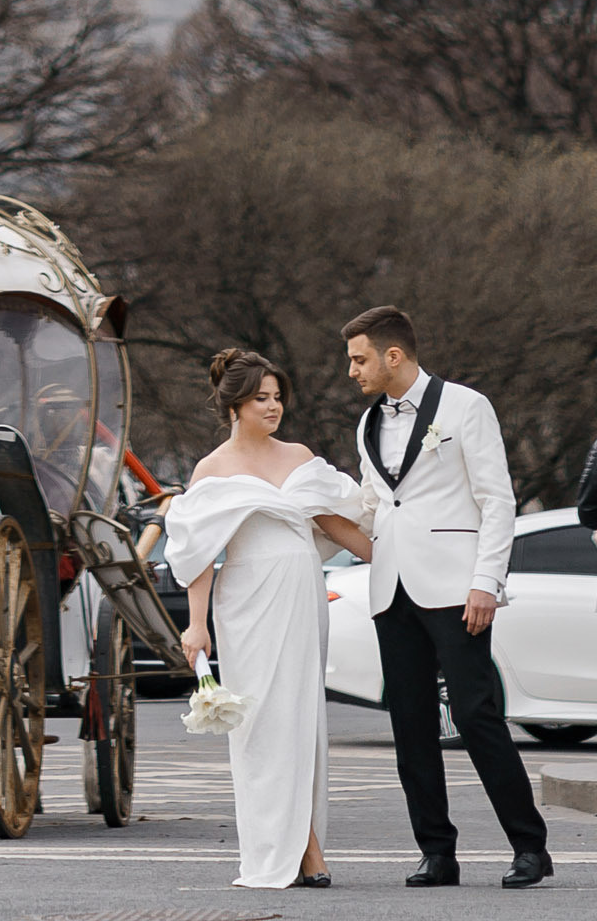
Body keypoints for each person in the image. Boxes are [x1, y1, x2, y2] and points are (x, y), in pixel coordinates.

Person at [344, 303, 551, 889]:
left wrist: (486, 582)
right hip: (391, 590)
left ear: (393, 355)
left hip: (458, 588)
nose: (352, 372)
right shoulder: (367, 423)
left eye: (359, 360)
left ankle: (530, 846)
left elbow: (497, 500)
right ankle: (437, 851)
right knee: (410, 724)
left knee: (477, 715)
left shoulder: (466, 405)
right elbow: (370, 503)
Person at [162, 349, 371, 890]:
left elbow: (337, 523)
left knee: (303, 721)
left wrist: (398, 557)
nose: (274, 406)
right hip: (247, 601)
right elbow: (200, 554)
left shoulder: (299, 455)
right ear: (234, 404)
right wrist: (196, 624)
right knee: (263, 727)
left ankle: (305, 846)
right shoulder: (212, 468)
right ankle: (302, 851)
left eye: (278, 397)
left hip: (302, 594)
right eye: (262, 398)